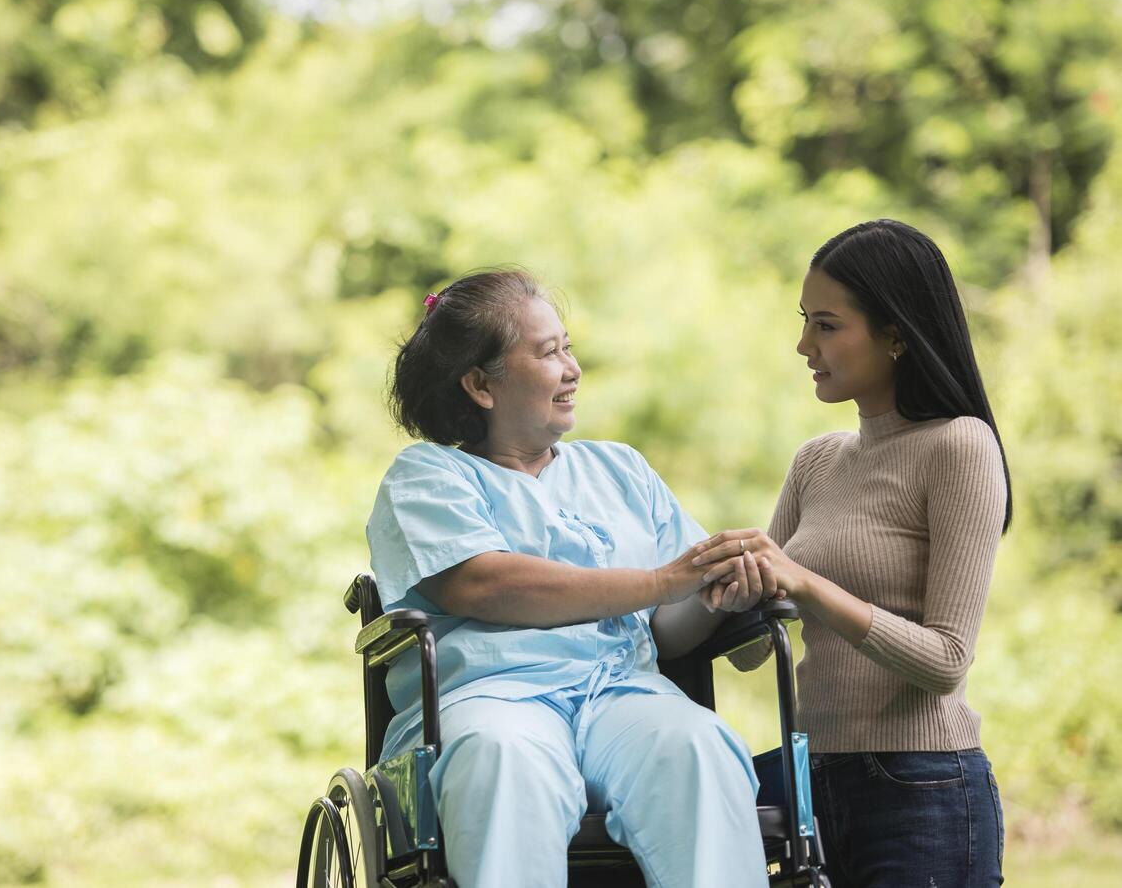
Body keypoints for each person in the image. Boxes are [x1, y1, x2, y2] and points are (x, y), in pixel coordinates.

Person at [367, 268, 774, 888]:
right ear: (481, 385)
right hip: (492, 696)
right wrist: (666, 579)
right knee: (501, 759)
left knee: (697, 746)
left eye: (568, 346)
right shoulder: (427, 477)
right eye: (548, 352)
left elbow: (667, 630)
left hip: (621, 694)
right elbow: (486, 585)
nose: (573, 367)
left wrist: (717, 592)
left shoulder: (620, 469)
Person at [698, 219, 1010, 887]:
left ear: (895, 334)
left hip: (920, 788)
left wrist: (805, 585)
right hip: (809, 783)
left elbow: (945, 662)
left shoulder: (959, 446)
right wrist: (732, 583)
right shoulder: (816, 460)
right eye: (804, 321)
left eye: (826, 324)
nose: (803, 344)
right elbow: (754, 649)